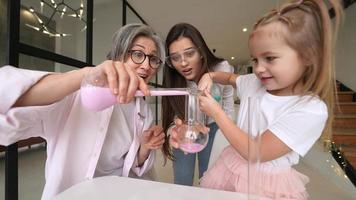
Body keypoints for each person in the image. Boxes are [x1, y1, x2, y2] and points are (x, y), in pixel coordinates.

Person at [175, 0, 342, 199]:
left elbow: (255, 152)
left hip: (268, 185)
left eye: (270, 58)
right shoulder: (254, 83)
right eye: (255, 59)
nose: (259, 68)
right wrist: (209, 76)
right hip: (230, 167)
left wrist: (217, 113)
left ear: (307, 57)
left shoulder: (310, 109)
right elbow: (229, 78)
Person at [0, 23, 166, 200]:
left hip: (116, 192)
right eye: (138, 54)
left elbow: (133, 167)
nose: (147, 66)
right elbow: (5, 96)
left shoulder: (144, 111)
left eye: (153, 59)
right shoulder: (76, 94)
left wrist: (145, 148)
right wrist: (86, 75)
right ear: (119, 56)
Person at [161, 23, 235, 186]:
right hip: (185, 129)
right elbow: (170, 118)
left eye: (189, 53)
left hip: (214, 127)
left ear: (201, 51)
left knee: (208, 178)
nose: (183, 63)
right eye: (175, 57)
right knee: (182, 178)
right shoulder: (174, 78)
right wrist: (174, 130)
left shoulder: (221, 68)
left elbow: (228, 104)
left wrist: (227, 135)